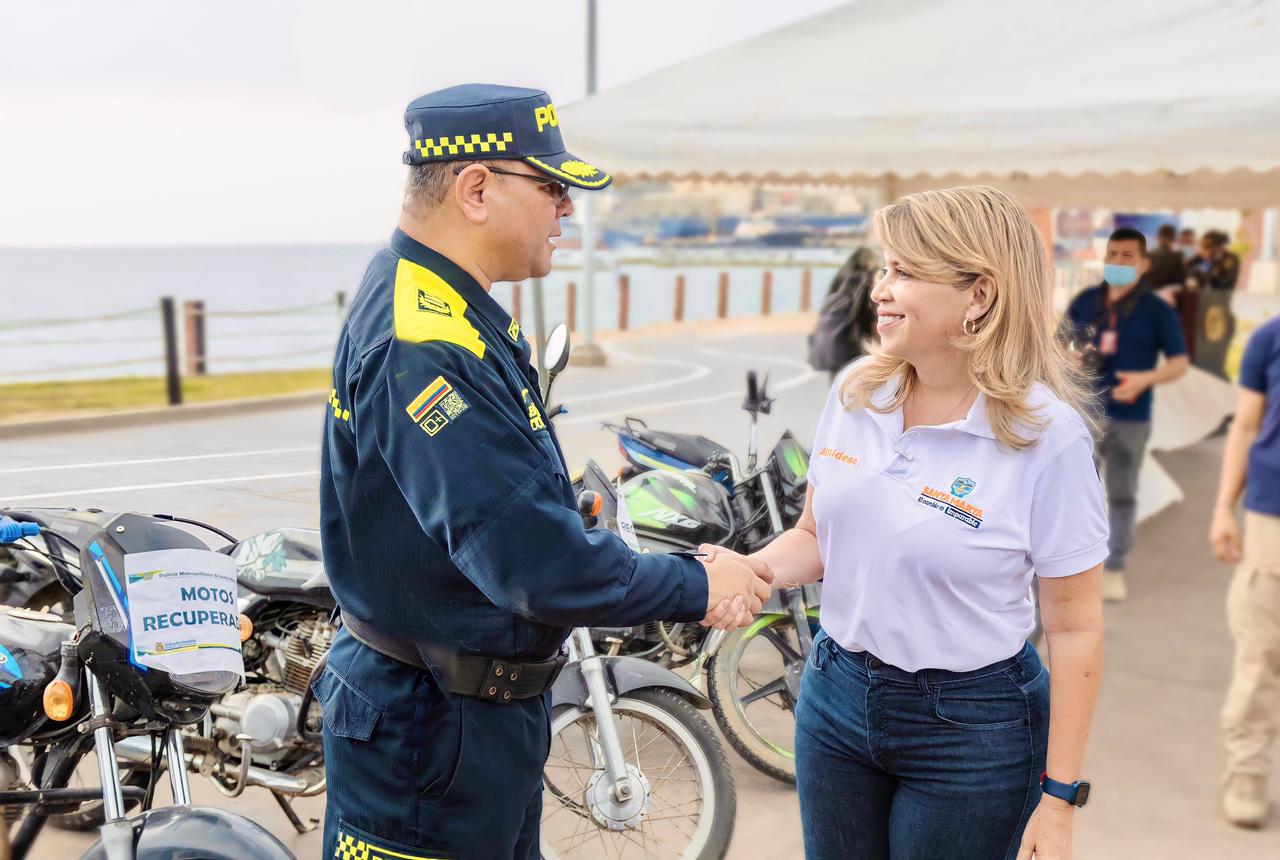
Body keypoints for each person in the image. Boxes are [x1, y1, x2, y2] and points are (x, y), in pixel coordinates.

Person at [316, 84, 772, 860]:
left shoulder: (442, 302)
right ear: (476, 189)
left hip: (466, 711)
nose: (567, 209)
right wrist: (697, 584)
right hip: (430, 727)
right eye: (551, 186)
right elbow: (533, 563)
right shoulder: (424, 342)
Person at [704, 186, 1107, 860]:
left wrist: (1059, 800)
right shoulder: (858, 391)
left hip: (972, 728)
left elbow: (1075, 628)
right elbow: (815, 538)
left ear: (979, 295)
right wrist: (750, 570)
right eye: (884, 269)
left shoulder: (1048, 437)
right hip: (834, 694)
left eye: (905, 272)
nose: (879, 290)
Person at [1066, 227, 1189, 601]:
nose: (1117, 262)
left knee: (1121, 493)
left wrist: (1144, 379)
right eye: (1112, 255)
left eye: (1127, 256)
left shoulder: (1157, 310)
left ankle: (1114, 568)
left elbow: (1179, 363)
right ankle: (1073, 564)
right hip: (1083, 412)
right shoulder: (1086, 301)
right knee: (1075, 491)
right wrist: (1069, 359)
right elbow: (1057, 345)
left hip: (1130, 416)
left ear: (1144, 264)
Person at [1209, 315, 1280, 828]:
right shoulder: (1269, 338)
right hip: (1272, 518)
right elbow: (1247, 426)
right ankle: (1247, 771)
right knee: (1260, 650)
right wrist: (1223, 509)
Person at [808, 246, 881, 379]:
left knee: (839, 385)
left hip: (837, 353)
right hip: (855, 350)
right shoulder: (866, 280)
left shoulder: (841, 277)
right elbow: (869, 313)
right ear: (868, 262)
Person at [1146, 223, 1186, 288]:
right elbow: (1180, 279)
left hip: (1151, 290)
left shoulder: (1150, 254)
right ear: (1173, 239)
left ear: (1159, 238)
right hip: (1170, 291)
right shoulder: (1177, 256)